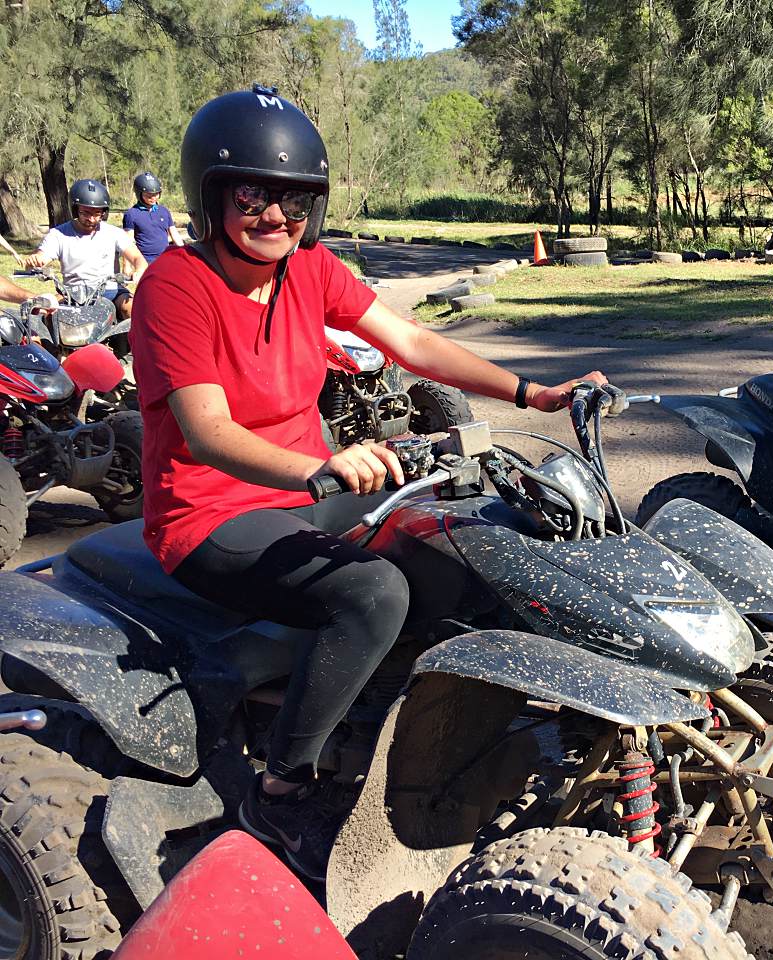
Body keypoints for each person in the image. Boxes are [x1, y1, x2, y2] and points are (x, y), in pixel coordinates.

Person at [129, 85, 608, 883]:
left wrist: (533, 393)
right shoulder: (175, 288)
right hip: (206, 515)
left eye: (292, 200)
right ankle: (279, 793)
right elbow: (209, 435)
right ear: (210, 196)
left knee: (465, 531)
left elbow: (414, 341)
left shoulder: (310, 269)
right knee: (372, 593)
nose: (273, 216)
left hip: (299, 491)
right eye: (251, 194)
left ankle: (422, 720)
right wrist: (318, 465)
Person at [21, 178, 148, 319]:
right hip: (72, 293)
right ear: (75, 210)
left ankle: (137, 341)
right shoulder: (58, 234)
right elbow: (41, 256)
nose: (92, 219)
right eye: (85, 213)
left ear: (104, 213)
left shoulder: (114, 233)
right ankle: (39, 342)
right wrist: (36, 260)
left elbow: (137, 257)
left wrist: (140, 269)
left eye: (97, 214)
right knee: (42, 313)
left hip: (111, 291)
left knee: (132, 308)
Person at [122, 172, 185, 262]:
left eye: (156, 194)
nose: (153, 198)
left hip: (165, 258)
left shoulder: (164, 211)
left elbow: (174, 234)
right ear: (139, 194)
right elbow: (128, 243)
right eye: (149, 195)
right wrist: (127, 266)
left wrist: (183, 252)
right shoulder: (131, 214)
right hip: (144, 261)